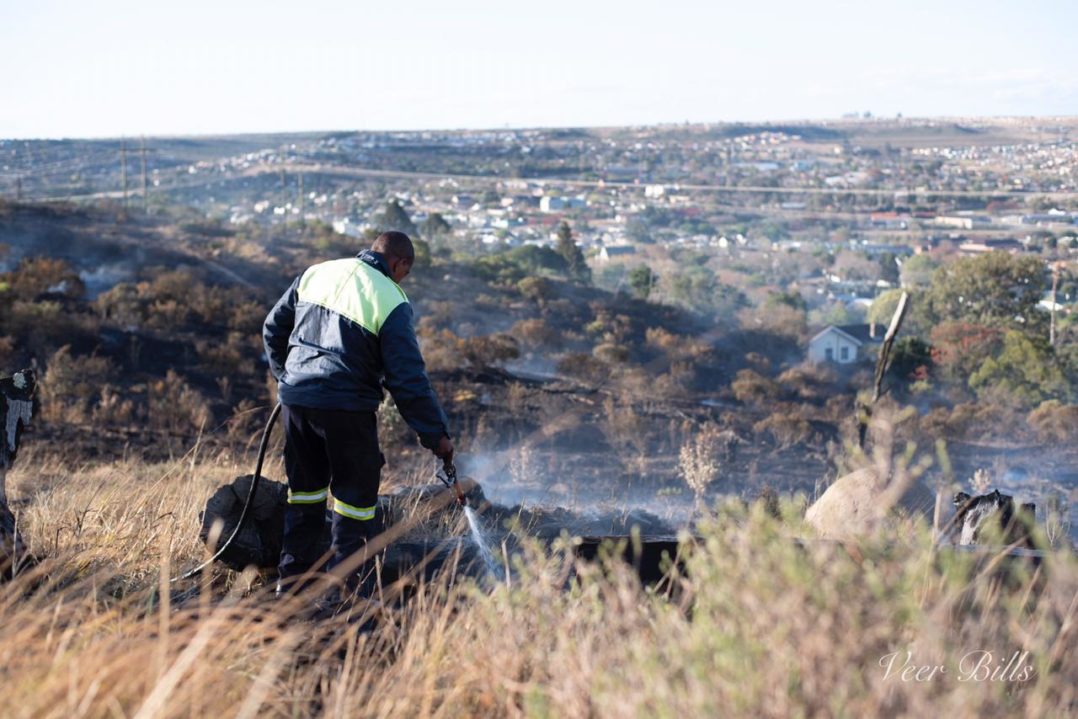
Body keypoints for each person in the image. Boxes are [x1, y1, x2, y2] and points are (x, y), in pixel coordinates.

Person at [263, 231, 453, 597]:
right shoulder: (390, 298)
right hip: (347, 409)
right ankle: (346, 599)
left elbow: (273, 327)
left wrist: (287, 378)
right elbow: (408, 378)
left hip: (297, 403)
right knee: (355, 507)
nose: (403, 280)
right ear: (400, 264)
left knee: (304, 495)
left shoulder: (317, 273)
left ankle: (290, 590)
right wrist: (436, 435)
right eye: (405, 274)